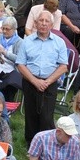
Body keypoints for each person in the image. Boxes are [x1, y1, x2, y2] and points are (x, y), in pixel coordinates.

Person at [16, 10, 68, 144]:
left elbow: (63, 66)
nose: (43, 24)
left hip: (50, 82)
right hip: (30, 80)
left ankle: (48, 143)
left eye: (47, 21)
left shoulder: (59, 42)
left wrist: (47, 82)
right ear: (36, 23)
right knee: (31, 114)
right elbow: (21, 64)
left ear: (51, 24)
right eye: (41, 20)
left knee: (46, 116)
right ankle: (31, 144)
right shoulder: (27, 41)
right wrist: (35, 81)